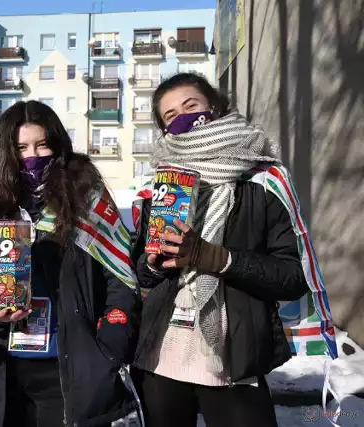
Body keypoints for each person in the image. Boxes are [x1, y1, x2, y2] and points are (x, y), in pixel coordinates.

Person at [130, 72, 323, 427]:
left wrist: (214, 257)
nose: (184, 118)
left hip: (232, 358)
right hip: (160, 355)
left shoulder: (263, 181)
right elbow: (139, 270)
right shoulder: (159, 184)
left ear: (215, 107)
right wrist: (155, 264)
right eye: (171, 116)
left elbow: (293, 277)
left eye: (191, 106)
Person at [0, 100, 142, 427]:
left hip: (68, 370)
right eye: (21, 147)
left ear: (57, 145)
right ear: (5, 152)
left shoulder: (87, 198)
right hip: (1, 370)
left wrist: (110, 344)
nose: (33, 156)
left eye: (42, 145)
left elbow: (120, 276)